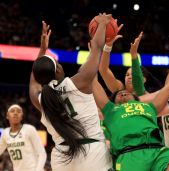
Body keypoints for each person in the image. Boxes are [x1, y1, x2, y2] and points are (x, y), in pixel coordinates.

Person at [92, 32, 169, 171]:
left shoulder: (147, 103)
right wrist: (96, 53)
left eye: (132, 74)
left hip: (158, 151)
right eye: (126, 74)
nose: (122, 93)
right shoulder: (111, 108)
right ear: (114, 101)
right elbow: (94, 78)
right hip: (129, 153)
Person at [29, 14, 113, 171]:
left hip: (61, 158)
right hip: (91, 152)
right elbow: (96, 47)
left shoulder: (41, 99)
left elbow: (34, 82)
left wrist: (42, 50)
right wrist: (102, 24)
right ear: (58, 70)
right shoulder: (78, 83)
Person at [99, 30, 162, 96]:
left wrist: (134, 55)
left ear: (143, 79)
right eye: (127, 75)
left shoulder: (150, 97)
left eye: (133, 74)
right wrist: (108, 46)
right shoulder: (120, 90)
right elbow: (103, 70)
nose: (129, 77)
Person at [0, 104, 47, 171]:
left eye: (19, 111)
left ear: (21, 116)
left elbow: (42, 153)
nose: (15, 113)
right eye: (12, 111)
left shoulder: (29, 129)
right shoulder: (5, 133)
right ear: (7, 116)